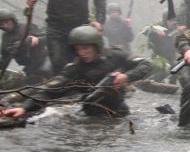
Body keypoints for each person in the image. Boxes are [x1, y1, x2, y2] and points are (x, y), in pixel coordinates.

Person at [0, 25, 151, 118]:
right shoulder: (74, 68)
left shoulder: (116, 55)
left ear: (96, 46)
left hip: (120, 110)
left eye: (86, 48)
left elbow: (146, 64)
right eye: (78, 49)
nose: (82, 53)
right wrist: (24, 108)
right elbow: (48, 91)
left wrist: (127, 77)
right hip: (92, 114)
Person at [0, 8, 50, 79]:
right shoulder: (6, 37)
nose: (5, 26)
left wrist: (37, 39)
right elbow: (5, 58)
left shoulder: (25, 27)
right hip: (30, 67)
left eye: (7, 22)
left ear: (13, 20)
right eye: (1, 24)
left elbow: (47, 37)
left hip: (44, 61)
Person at [141, 11, 179, 82]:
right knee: (157, 76)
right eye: (170, 21)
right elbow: (144, 30)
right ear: (165, 20)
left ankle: (172, 85)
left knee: (176, 67)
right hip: (158, 56)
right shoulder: (158, 26)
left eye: (173, 20)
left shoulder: (176, 27)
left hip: (171, 56)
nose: (172, 23)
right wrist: (155, 31)